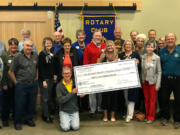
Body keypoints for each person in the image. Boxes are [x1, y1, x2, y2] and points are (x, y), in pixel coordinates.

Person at [9, 39, 38, 130]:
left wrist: (36, 77)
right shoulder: (17, 56)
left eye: (31, 46)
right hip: (21, 85)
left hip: (33, 84)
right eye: (27, 45)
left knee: (31, 104)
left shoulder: (35, 55)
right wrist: (16, 83)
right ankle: (17, 122)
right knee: (19, 104)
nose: (29, 47)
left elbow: (37, 67)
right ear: (23, 46)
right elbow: (10, 71)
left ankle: (29, 119)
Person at [159, 33, 180, 129]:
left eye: (172, 39)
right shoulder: (161, 51)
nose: (170, 40)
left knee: (178, 100)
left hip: (178, 80)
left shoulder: (179, 50)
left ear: (175, 39)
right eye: (168, 39)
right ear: (165, 41)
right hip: (165, 79)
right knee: (164, 99)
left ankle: (177, 120)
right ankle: (165, 117)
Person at [83, 29, 106, 117]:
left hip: (102, 73)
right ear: (93, 37)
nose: (98, 37)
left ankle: (99, 108)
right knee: (92, 93)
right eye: (96, 36)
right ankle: (92, 110)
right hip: (91, 73)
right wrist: (86, 73)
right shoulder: (88, 46)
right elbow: (85, 61)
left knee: (100, 91)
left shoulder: (105, 45)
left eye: (99, 36)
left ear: (101, 36)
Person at [119, 39, 141, 122]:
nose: (128, 46)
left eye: (129, 44)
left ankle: (130, 115)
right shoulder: (121, 55)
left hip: (133, 79)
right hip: (123, 79)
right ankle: (128, 112)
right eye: (126, 44)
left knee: (131, 97)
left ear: (132, 46)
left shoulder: (136, 54)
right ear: (124, 46)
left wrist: (138, 63)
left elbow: (140, 67)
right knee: (125, 97)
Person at [56, 66, 84, 131]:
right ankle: (64, 119)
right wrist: (72, 93)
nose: (67, 75)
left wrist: (82, 94)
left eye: (68, 73)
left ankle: (69, 120)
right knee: (65, 128)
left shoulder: (76, 83)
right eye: (65, 73)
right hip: (64, 110)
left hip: (74, 110)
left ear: (71, 74)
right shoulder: (59, 86)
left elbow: (81, 93)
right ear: (62, 74)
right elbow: (61, 100)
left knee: (76, 127)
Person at [97, 40, 118, 122]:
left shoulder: (117, 55)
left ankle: (112, 116)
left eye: (111, 46)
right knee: (105, 98)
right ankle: (105, 116)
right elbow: (97, 65)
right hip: (105, 80)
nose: (110, 47)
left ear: (114, 46)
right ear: (106, 47)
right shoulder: (103, 55)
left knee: (114, 98)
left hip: (115, 80)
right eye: (108, 46)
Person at [141, 41, 162, 124]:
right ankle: (147, 115)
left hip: (153, 82)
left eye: (151, 47)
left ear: (154, 48)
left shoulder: (157, 58)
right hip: (144, 81)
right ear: (145, 48)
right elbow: (141, 70)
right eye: (148, 46)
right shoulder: (143, 57)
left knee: (152, 100)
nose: (149, 48)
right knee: (146, 100)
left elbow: (159, 72)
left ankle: (151, 117)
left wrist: (158, 84)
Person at [1, 38, 19, 127]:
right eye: (11, 44)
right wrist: (3, 84)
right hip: (7, 84)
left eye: (15, 44)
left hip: (18, 84)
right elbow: (2, 71)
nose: (13, 46)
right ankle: (5, 119)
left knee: (16, 102)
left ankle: (15, 118)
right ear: (9, 46)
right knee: (6, 103)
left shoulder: (20, 54)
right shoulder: (4, 55)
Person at [38, 37, 55, 123]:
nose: (48, 44)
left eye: (50, 43)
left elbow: (52, 67)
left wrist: (54, 76)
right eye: (47, 43)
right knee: (45, 98)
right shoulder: (42, 54)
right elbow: (41, 69)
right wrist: (43, 80)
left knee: (48, 98)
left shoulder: (52, 53)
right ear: (44, 44)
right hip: (44, 80)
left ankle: (47, 114)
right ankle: (45, 116)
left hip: (51, 79)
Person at [72, 30, 89, 111]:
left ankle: (86, 106)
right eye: (79, 35)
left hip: (87, 70)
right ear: (77, 37)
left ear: (85, 36)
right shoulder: (73, 46)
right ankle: (78, 106)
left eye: (82, 35)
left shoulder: (88, 44)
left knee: (86, 87)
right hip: (77, 70)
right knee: (78, 87)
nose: (81, 37)